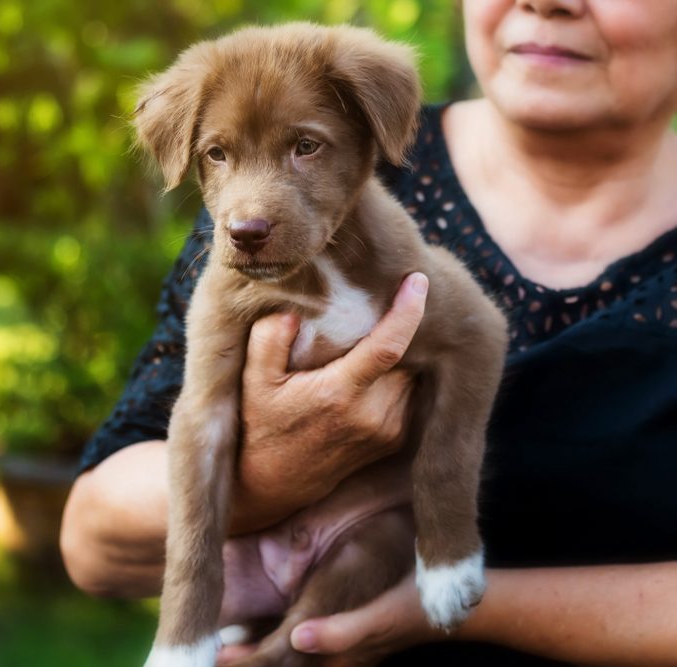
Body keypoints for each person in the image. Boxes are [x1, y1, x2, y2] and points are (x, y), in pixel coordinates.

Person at [59, 0, 677, 664]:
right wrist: (271, 472)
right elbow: (91, 544)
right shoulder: (252, 233)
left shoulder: (363, 149)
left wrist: (466, 597)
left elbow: (472, 340)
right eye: (220, 155)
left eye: (305, 146)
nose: (545, 0)